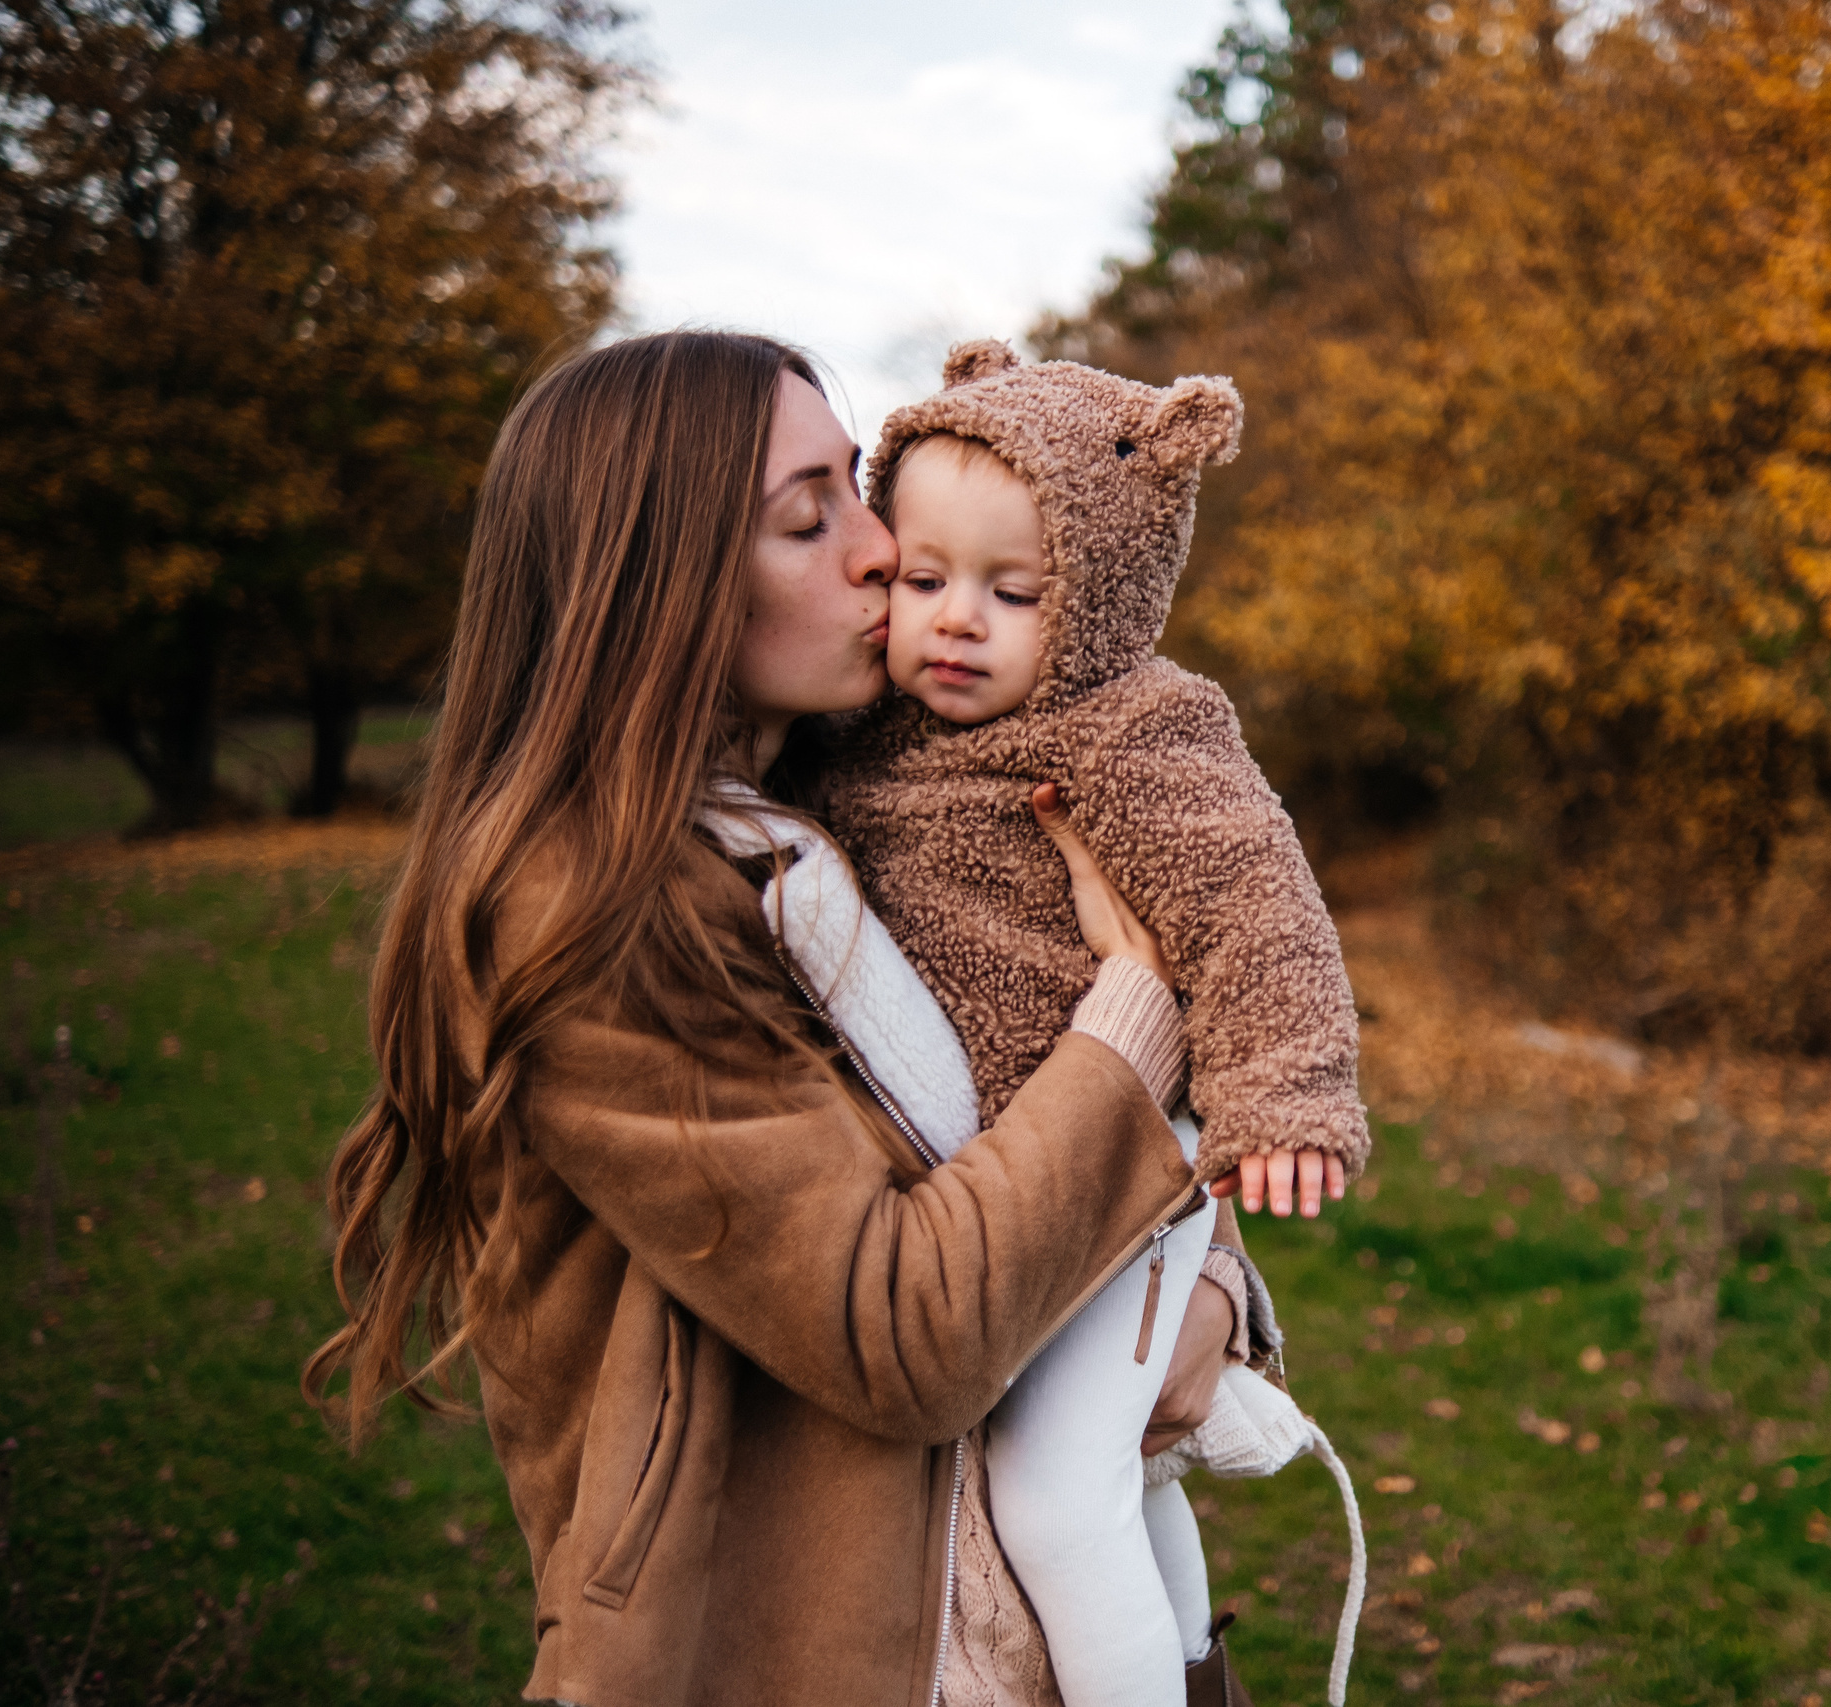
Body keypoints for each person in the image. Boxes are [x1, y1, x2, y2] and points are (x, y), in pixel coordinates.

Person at [301, 330, 1297, 1707]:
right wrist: (1138, 1011)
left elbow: (1018, 1118)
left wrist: (1209, 1287)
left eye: (859, 489)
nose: (882, 550)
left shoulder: (841, 818)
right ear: (657, 588)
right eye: (807, 515)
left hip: (1012, 1645)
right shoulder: (589, 920)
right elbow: (907, 1333)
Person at [820, 341, 1366, 1706]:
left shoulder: (1136, 730)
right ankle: (1187, 1665)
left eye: (1014, 594)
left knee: (1058, 1505)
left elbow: (1254, 902)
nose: (955, 623)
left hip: (1115, 1183)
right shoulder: (865, 734)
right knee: (1109, 1486)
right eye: (925, 580)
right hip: (1001, 1190)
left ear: (1108, 594)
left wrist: (1285, 1094)